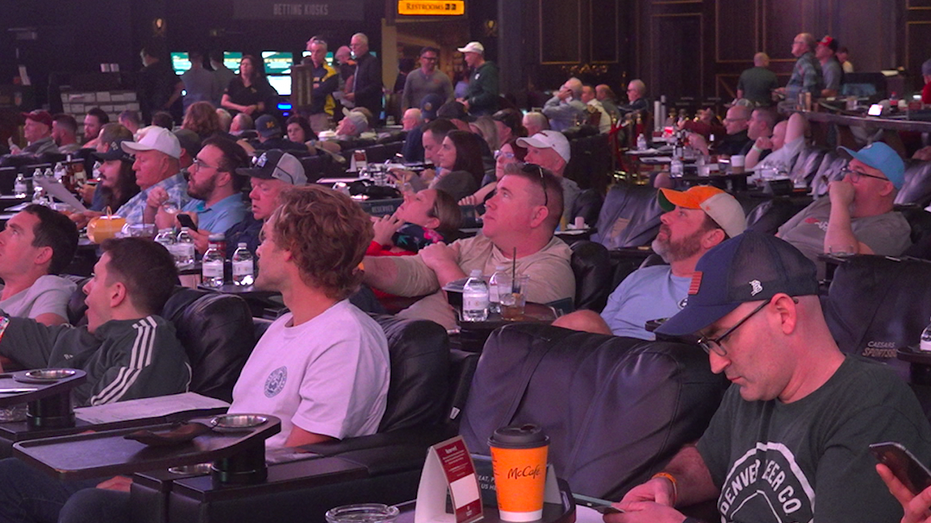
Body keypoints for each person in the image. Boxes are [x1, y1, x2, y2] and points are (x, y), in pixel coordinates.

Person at [38, 187, 390, 523]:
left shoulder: (344, 339)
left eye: (266, 238)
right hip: (211, 474)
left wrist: (164, 483)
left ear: (292, 250)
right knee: (14, 473)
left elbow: (298, 455)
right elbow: (238, 426)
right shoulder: (284, 326)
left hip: (242, 494)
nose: (257, 248)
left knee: (91, 506)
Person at [610, 231, 931, 523]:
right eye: (707, 344)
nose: (715, 365)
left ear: (783, 314)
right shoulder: (751, 387)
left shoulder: (870, 405)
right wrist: (669, 484)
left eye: (721, 338)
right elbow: (709, 459)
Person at [363, 164, 574, 330]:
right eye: (496, 193)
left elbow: (487, 318)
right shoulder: (479, 244)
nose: (489, 203)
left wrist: (444, 264)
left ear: (537, 216)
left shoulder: (551, 271)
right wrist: (357, 265)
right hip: (395, 333)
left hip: (437, 361)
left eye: (505, 195)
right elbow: (414, 272)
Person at [0, 237, 189, 403]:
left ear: (116, 293)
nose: (85, 288)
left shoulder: (147, 337)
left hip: (67, 440)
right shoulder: (81, 338)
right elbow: (5, 327)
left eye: (95, 278)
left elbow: (102, 418)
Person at [552, 186, 745, 339]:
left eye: (682, 214)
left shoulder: (724, 295)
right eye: (672, 210)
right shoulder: (641, 276)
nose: (664, 216)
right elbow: (600, 333)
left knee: (580, 322)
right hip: (599, 370)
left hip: (652, 378)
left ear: (712, 238)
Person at [778, 142, 911, 268]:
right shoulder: (825, 204)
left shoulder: (892, 228)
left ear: (885, 188)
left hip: (798, 284)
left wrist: (840, 203)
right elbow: (776, 239)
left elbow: (842, 262)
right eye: (847, 170)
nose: (845, 180)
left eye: (857, 173)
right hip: (769, 267)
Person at [157, 136, 248, 252]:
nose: (190, 169)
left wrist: (166, 230)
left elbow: (210, 260)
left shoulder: (232, 214)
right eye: (195, 162)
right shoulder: (197, 202)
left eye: (201, 165)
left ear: (223, 178)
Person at [0, 205, 79, 326]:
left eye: (15, 232)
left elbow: (46, 337)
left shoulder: (49, 286)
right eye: (6, 229)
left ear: (42, 255)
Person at [226, 149, 307, 258]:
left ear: (291, 193)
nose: (252, 195)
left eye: (264, 188)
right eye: (252, 186)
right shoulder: (250, 221)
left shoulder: (299, 234)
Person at [115, 126, 190, 225]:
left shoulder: (170, 197)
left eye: (142, 160)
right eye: (136, 159)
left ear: (164, 164)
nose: (134, 166)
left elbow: (133, 236)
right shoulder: (149, 191)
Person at [369, 188, 462, 256]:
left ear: (432, 222)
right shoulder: (391, 239)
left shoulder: (412, 258)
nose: (406, 197)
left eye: (418, 199)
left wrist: (377, 240)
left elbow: (358, 269)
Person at [516, 130, 580, 223]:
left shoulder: (562, 194)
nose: (526, 158)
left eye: (536, 152)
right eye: (528, 151)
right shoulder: (520, 185)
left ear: (558, 163)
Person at [459, 142, 527, 205]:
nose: (499, 160)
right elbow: (465, 204)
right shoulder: (493, 186)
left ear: (521, 162)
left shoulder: (518, 194)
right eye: (499, 154)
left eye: (508, 155)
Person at [428, 129, 485, 201]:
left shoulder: (463, 178)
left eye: (446, 148)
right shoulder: (453, 175)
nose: (439, 153)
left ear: (462, 151)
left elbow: (431, 203)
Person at [137, 43, 184, 125]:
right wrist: (169, 103)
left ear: (147, 56)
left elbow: (142, 94)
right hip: (171, 110)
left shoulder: (144, 73)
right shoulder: (168, 69)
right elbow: (180, 86)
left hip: (151, 110)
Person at [303, 36, 339, 134]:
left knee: (321, 142)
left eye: (318, 51)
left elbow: (321, 92)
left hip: (322, 113)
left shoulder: (329, 71)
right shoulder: (307, 70)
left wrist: (309, 89)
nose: (314, 54)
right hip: (306, 113)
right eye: (313, 51)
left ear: (325, 53)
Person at [401, 46, 453, 112]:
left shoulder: (443, 77)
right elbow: (406, 96)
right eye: (429, 59)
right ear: (421, 59)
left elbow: (450, 97)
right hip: (417, 113)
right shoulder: (412, 76)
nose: (432, 62)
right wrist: (405, 113)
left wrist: (443, 110)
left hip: (435, 115)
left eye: (434, 59)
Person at [777, 33, 824, 102]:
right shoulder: (811, 58)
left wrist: (804, 100)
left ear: (803, 46)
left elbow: (810, 74)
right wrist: (787, 90)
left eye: (795, 42)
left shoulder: (804, 60)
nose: (792, 45)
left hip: (798, 106)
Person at [346, 33, 383, 120]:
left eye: (356, 45)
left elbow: (375, 85)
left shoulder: (372, 61)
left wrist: (356, 95)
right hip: (358, 105)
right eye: (352, 45)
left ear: (365, 46)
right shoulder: (358, 63)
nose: (353, 48)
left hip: (369, 107)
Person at [457, 41, 499, 116]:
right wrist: (465, 99)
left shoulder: (488, 70)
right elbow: (475, 92)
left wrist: (470, 102)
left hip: (484, 115)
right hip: (475, 113)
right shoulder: (475, 71)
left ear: (475, 55)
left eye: (467, 55)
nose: (465, 59)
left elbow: (490, 94)